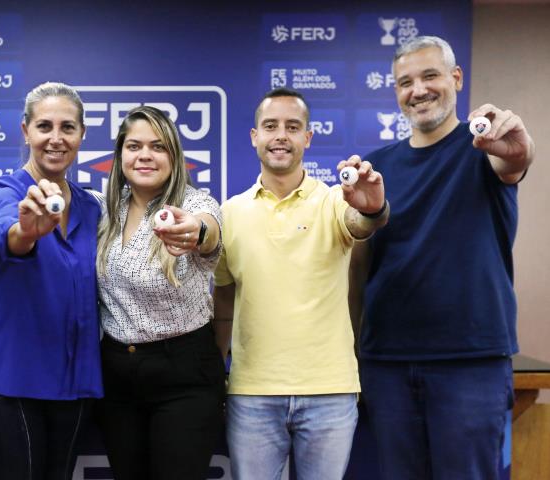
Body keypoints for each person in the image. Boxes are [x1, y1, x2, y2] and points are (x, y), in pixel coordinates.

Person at [352, 35, 535, 479]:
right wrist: (357, 353)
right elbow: (359, 267)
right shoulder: (375, 169)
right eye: (405, 82)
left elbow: (514, 160)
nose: (418, 90)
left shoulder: (485, 149)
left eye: (430, 75)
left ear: (455, 78)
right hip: (388, 364)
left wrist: (518, 150)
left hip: (470, 362)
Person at [213, 87, 389, 480]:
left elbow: (363, 223)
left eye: (293, 127)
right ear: (254, 136)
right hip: (251, 392)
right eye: (270, 126)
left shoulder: (334, 201)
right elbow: (224, 299)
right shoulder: (230, 212)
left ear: (308, 138)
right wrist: (214, 373)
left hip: (329, 391)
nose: (281, 135)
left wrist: (373, 207)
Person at [0, 82, 103, 479]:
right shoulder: (7, 192)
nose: (56, 138)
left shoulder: (91, 207)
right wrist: (29, 231)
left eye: (68, 128)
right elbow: (11, 237)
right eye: (44, 127)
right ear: (25, 132)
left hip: (71, 385)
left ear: (82, 135)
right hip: (5, 381)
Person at [94, 106, 224, 480]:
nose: (145, 155)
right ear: (120, 156)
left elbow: (207, 231)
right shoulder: (105, 210)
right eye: (134, 146)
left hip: (184, 376)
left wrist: (195, 232)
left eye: (158, 146)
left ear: (175, 156)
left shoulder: (195, 204)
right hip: (116, 377)